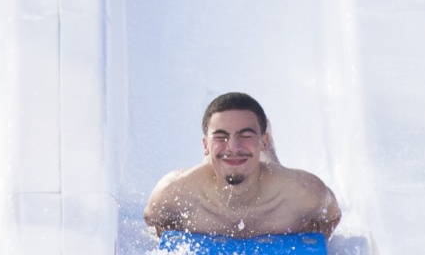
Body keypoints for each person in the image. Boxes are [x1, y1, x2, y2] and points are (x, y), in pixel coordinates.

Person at [145, 93, 340, 239]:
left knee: (259, 161)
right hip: (207, 173)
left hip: (270, 173)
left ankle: (265, 148)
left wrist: (310, 237)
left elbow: (332, 216)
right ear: (205, 145)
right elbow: (153, 220)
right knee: (230, 158)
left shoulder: (302, 192)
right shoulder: (176, 190)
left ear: (262, 141)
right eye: (221, 136)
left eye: (245, 135)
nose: (233, 146)